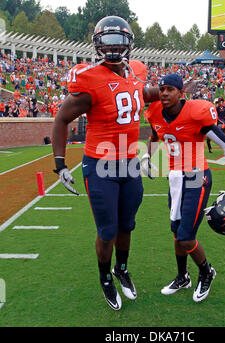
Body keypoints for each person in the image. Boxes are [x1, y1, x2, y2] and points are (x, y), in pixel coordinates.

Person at [51, 16, 160, 311]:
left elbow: (140, 95)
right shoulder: (88, 78)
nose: (113, 48)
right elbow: (61, 118)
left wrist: (170, 91)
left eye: (119, 42)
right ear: (98, 45)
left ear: (129, 44)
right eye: (107, 42)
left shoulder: (137, 70)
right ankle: (105, 278)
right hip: (101, 166)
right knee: (108, 230)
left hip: (130, 163)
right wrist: (60, 163)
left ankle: (121, 269)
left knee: (127, 225)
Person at [142, 74, 225, 303]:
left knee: (186, 237)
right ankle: (183, 277)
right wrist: (146, 156)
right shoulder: (154, 113)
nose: (164, 93)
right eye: (162, 89)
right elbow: (153, 136)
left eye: (170, 89)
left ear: (181, 93)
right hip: (175, 179)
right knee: (176, 233)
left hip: (197, 177)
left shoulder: (196, 112)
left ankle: (207, 272)